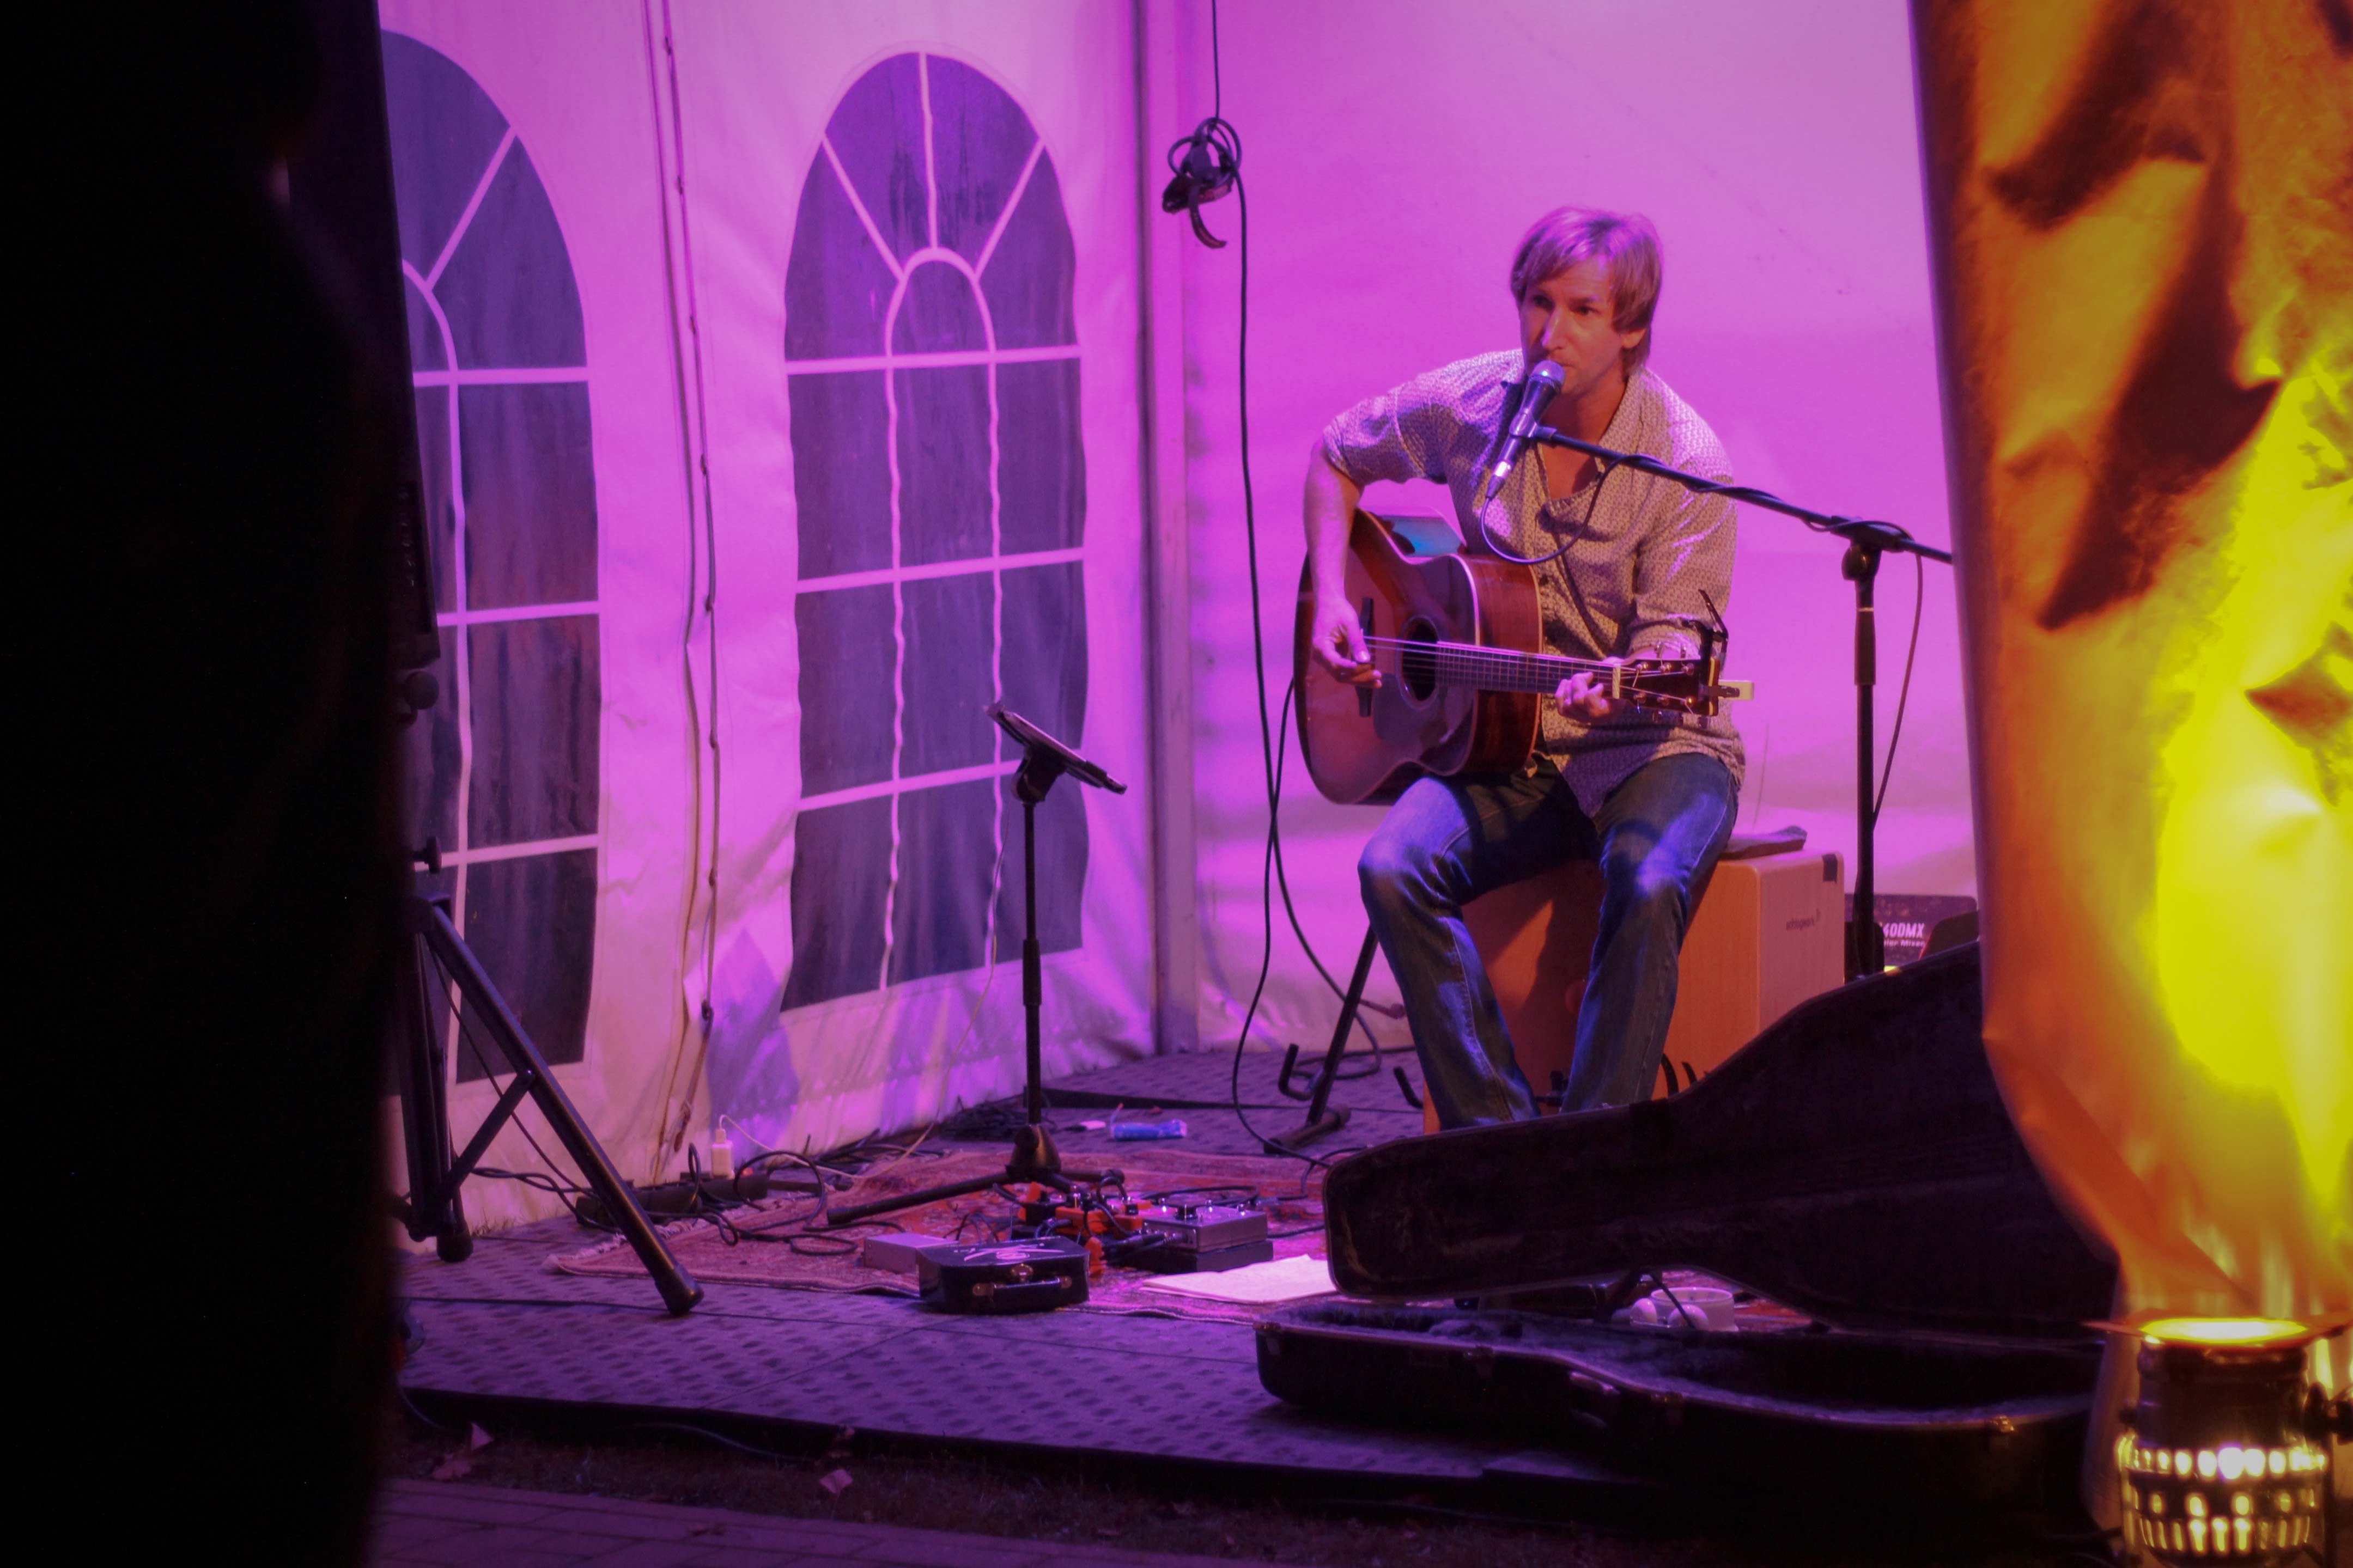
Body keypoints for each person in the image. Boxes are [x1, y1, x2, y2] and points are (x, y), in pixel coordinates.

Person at [1301, 207, 1744, 1128]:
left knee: (1649, 880)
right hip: (1513, 741)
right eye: (1539, 302)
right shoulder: (1475, 405)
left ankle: (1594, 1159)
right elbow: (1337, 454)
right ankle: (1496, 1146)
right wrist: (1335, 598)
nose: (1551, 331)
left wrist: (1630, 674)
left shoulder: (1687, 459)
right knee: (1393, 867)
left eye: (1583, 310)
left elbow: (1676, 642)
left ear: (1632, 328)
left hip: (1655, 742)